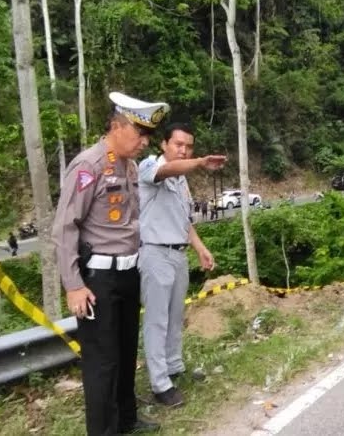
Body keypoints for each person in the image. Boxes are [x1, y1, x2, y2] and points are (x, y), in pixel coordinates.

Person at [52, 91, 168, 435]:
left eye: (148, 136)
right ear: (117, 127)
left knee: (125, 351)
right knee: (102, 362)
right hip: (98, 280)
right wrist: (74, 285)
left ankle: (127, 419)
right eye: (139, 134)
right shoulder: (88, 166)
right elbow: (65, 227)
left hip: (128, 274)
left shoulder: (128, 166)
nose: (144, 142)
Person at [138, 122, 226, 407]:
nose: (183, 150)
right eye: (178, 144)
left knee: (176, 315)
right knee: (157, 320)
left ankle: (174, 366)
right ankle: (160, 384)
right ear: (164, 144)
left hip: (177, 254)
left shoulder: (181, 181)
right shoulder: (149, 166)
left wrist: (200, 248)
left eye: (189, 146)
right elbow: (165, 171)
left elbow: (183, 221)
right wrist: (199, 162)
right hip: (155, 253)